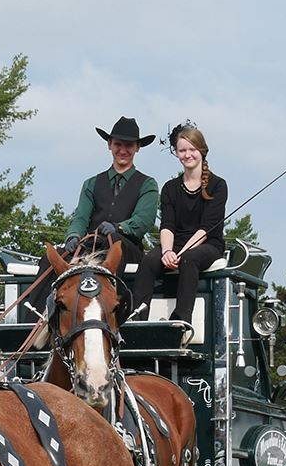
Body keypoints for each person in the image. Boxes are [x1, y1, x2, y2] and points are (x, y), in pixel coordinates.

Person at [129, 122, 227, 328]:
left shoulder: (218, 185)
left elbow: (206, 229)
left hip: (207, 245)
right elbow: (167, 225)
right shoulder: (170, 188)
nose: (187, 155)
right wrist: (166, 252)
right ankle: (136, 321)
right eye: (182, 150)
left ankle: (181, 321)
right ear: (176, 153)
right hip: (174, 244)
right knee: (148, 261)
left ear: (202, 151)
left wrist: (181, 253)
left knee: (189, 259)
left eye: (192, 149)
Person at [66, 116, 159, 267]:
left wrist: (118, 227)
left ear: (137, 147)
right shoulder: (91, 184)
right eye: (118, 144)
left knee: (116, 241)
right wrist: (73, 235)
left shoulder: (148, 185)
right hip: (90, 247)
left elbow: (143, 220)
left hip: (128, 250)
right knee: (51, 257)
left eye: (129, 145)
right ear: (109, 144)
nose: (123, 150)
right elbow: (81, 218)